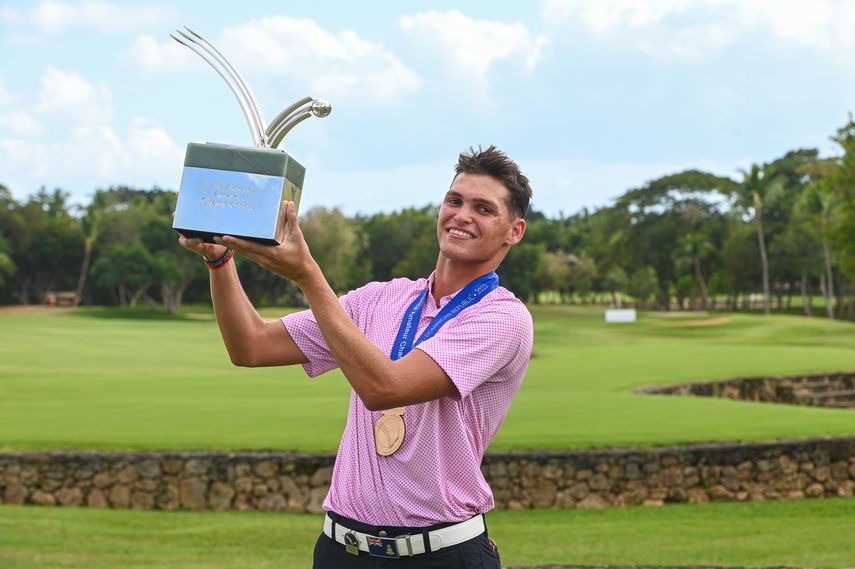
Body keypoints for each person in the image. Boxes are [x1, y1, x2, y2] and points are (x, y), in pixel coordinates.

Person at [178, 145, 534, 568]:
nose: (461, 215)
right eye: (454, 201)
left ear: (514, 231)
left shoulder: (502, 317)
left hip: (441, 555)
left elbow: (385, 388)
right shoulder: (378, 299)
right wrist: (220, 261)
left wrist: (308, 275)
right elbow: (251, 345)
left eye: (483, 209)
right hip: (341, 551)